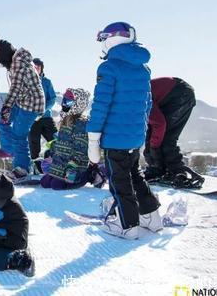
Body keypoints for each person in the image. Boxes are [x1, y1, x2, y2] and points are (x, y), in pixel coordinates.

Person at [87, 22, 162, 240]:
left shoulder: (108, 68)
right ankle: (151, 216)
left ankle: (126, 224)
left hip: (114, 138)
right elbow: (146, 104)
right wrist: (140, 132)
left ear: (111, 39)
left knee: (119, 182)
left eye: (102, 39)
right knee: (135, 175)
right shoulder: (143, 68)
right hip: (134, 136)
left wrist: (93, 138)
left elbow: (101, 105)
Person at [0, 40, 45, 173]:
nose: (1, 65)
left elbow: (15, 88)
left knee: (18, 135)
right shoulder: (17, 62)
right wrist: (6, 110)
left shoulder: (19, 64)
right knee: (1, 119)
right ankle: (8, 149)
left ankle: (22, 169)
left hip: (31, 105)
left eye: (0, 62)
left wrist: (6, 107)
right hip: (22, 101)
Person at [39, 88, 104, 190]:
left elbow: (81, 149)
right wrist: (51, 155)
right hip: (60, 163)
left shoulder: (81, 124)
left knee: (56, 186)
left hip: (75, 165)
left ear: (78, 104)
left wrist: (72, 167)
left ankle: (89, 173)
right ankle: (60, 175)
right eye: (64, 102)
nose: (65, 105)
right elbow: (59, 142)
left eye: (68, 102)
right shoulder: (65, 121)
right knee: (44, 183)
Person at [143, 77, 199, 186]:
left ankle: (178, 173)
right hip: (174, 92)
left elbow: (159, 124)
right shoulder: (131, 101)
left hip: (180, 93)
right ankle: (158, 169)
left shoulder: (139, 101)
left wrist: (154, 147)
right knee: (154, 136)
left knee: (166, 137)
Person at [28, 58, 57, 172]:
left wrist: (43, 110)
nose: (36, 69)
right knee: (33, 141)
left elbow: (53, 98)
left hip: (46, 117)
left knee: (55, 139)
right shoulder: (28, 82)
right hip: (32, 119)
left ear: (41, 69)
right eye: (33, 67)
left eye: (38, 67)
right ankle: (37, 167)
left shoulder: (46, 82)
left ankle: (56, 162)